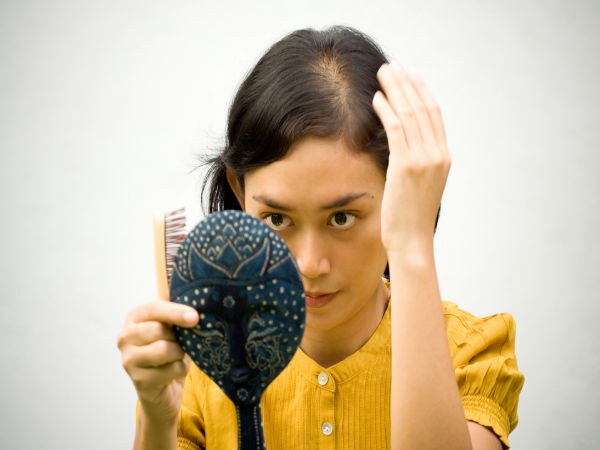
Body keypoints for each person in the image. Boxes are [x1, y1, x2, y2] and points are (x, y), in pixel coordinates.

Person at [117, 25, 524, 450]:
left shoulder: (469, 352)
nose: (310, 264)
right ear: (240, 192)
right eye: (277, 218)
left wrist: (413, 244)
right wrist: (156, 419)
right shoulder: (200, 364)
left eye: (342, 218)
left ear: (399, 194)